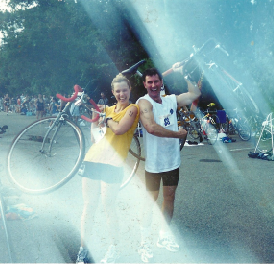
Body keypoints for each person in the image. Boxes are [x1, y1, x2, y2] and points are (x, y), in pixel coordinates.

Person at [136, 65, 201, 262]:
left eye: (156, 81)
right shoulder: (143, 102)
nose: (154, 85)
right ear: (145, 84)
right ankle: (144, 242)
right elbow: (151, 128)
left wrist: (185, 73)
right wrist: (178, 134)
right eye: (150, 82)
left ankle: (163, 236)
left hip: (172, 161)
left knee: (169, 197)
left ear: (161, 82)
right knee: (150, 201)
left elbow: (194, 93)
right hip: (154, 164)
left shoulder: (171, 100)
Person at [76, 73, 139, 264]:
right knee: (89, 206)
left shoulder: (132, 109)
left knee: (108, 206)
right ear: (113, 92)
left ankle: (114, 249)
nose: (122, 94)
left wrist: (106, 118)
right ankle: (83, 250)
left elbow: (120, 129)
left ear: (130, 90)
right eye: (118, 91)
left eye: (125, 90)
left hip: (113, 163)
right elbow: (95, 135)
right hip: (94, 159)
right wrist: (98, 119)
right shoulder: (105, 109)